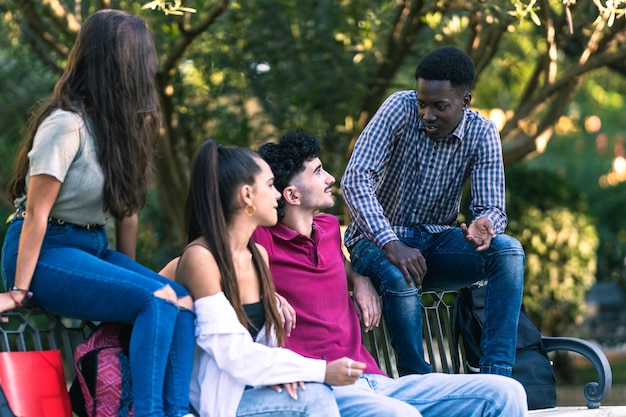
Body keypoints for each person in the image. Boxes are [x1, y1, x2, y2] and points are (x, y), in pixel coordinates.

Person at [0, 10, 195, 417]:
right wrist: (18, 290)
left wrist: (127, 278)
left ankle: (175, 411)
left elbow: (127, 215)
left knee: (179, 299)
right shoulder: (65, 125)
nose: (148, 67)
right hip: (43, 252)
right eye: (141, 57)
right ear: (114, 63)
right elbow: (36, 213)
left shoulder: (126, 130)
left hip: (93, 248)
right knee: (153, 299)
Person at [252, 130, 527, 417]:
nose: (331, 178)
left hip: (375, 381)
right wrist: (265, 292)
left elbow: (330, 265)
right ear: (292, 194)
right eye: (318, 172)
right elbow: (220, 268)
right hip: (325, 388)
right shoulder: (261, 240)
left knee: (505, 393)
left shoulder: (330, 228)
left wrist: (358, 278)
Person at [341, 45, 525, 377]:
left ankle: (497, 376)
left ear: (465, 102)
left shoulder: (482, 133)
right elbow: (355, 180)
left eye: (440, 107)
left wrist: (487, 222)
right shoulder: (398, 109)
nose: (428, 114)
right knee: (400, 273)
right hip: (374, 242)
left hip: (436, 243)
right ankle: (418, 380)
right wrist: (392, 244)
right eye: (422, 103)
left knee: (509, 251)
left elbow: (492, 207)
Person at [172, 140, 361, 417]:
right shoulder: (201, 258)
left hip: (256, 389)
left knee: (312, 395)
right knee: (316, 398)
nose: (278, 195)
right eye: (271, 185)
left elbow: (261, 344)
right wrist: (319, 370)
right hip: (219, 404)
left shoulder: (257, 254)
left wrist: (280, 373)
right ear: (247, 195)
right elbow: (231, 352)